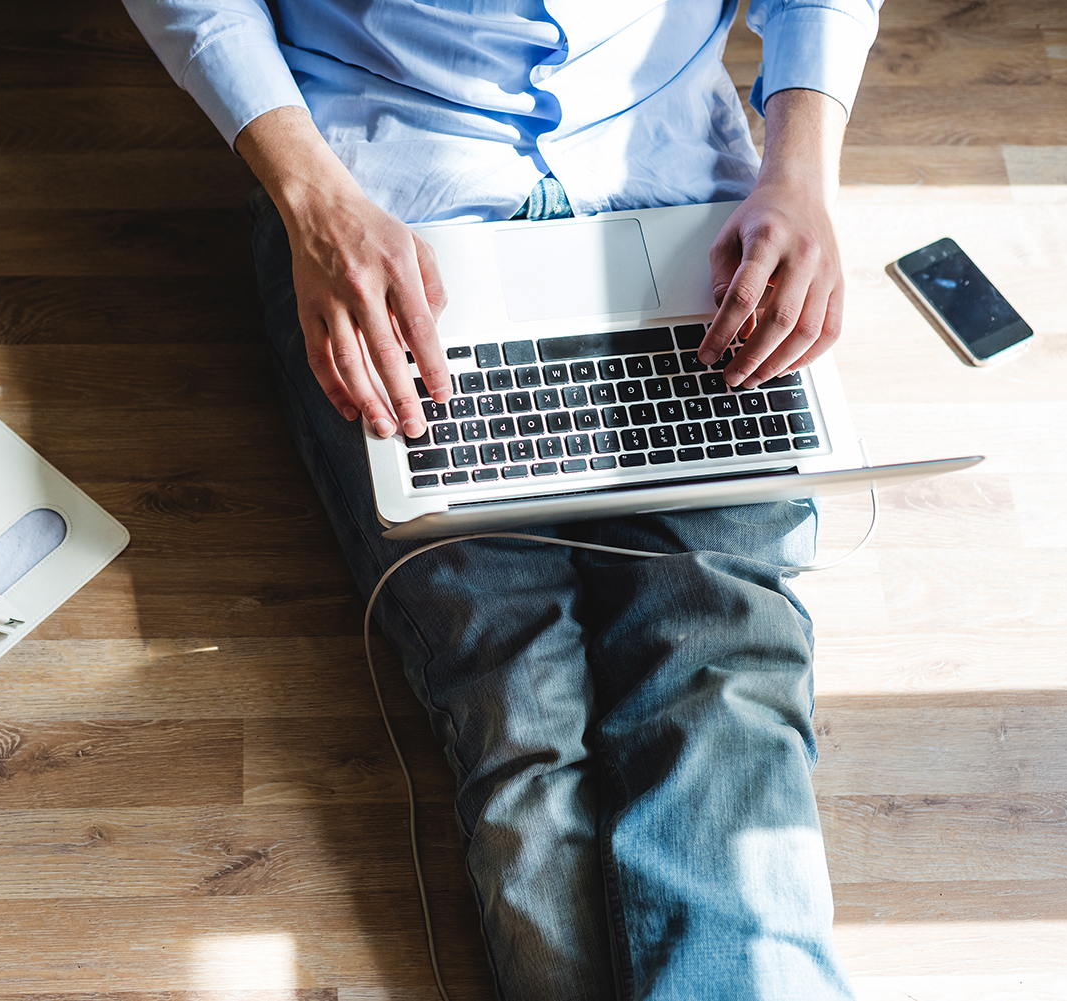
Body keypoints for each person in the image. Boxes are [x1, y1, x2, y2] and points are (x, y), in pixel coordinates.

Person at [124, 2, 882, 998]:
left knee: (726, 663)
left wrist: (803, 174)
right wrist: (314, 204)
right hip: (389, 218)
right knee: (516, 693)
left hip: (676, 202)